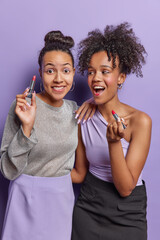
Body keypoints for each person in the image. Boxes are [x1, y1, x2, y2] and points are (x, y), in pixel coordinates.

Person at [0, 30, 92, 240]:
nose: (59, 78)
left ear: (73, 73)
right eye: (50, 71)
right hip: (24, 198)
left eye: (66, 71)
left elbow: (80, 171)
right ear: (40, 73)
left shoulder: (75, 111)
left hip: (60, 200)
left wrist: (94, 103)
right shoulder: (23, 106)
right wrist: (27, 127)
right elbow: (7, 170)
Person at [71, 22, 152, 240]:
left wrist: (114, 142)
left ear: (121, 77)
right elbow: (79, 172)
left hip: (128, 211)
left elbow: (125, 188)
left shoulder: (140, 122)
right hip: (89, 207)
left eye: (105, 71)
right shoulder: (82, 118)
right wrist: (35, 172)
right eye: (91, 72)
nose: (96, 78)